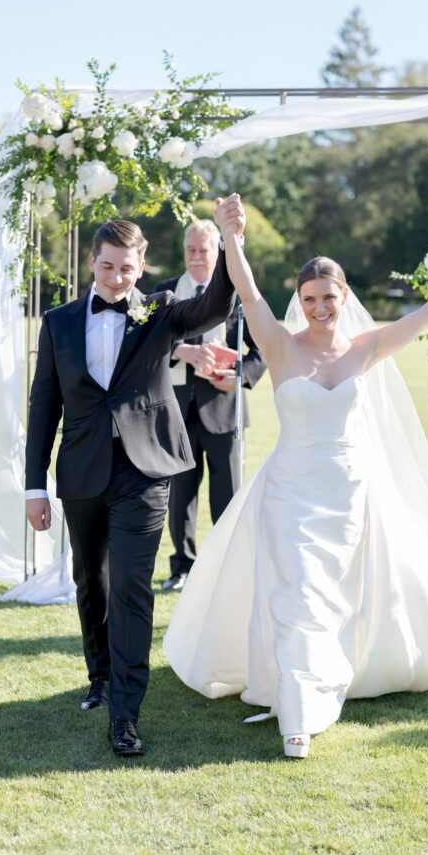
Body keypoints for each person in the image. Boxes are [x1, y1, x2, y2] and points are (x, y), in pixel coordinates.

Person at [164, 196, 428, 759]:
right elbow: (248, 291)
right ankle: (299, 714)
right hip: (289, 491)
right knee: (299, 593)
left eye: (329, 297)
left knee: (340, 598)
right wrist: (232, 236)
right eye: (309, 299)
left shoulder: (366, 348)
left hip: (351, 492)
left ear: (344, 297)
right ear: (299, 303)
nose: (320, 307)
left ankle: (332, 676)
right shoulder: (278, 346)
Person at [25, 199, 243, 757]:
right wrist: (34, 486)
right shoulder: (58, 323)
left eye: (127, 267)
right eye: (107, 266)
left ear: (142, 265)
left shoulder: (164, 312)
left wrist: (229, 240)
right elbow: (43, 406)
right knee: (90, 581)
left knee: (130, 587)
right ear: (91, 264)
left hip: (146, 472)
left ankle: (126, 712)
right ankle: (99, 676)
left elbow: (220, 300)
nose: (117, 276)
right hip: (80, 471)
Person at [156, 219, 266, 591]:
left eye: (204, 250)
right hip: (177, 411)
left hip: (225, 408)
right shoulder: (167, 291)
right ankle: (181, 567)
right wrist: (180, 349)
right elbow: (146, 345)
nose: (197, 257)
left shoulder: (237, 290)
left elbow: (261, 348)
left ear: (217, 253)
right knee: (180, 497)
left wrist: (240, 374)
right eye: (191, 250)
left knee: (227, 496)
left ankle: (225, 567)